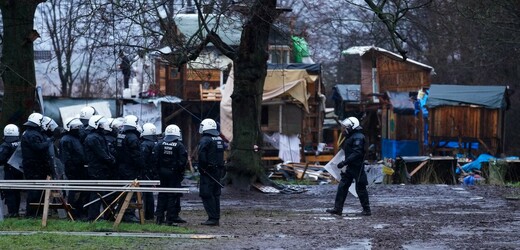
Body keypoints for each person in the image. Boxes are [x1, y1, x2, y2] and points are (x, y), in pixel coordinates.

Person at [326, 117, 371, 216]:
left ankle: (367, 210)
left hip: (357, 167)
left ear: (352, 127)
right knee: (342, 187)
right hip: (350, 167)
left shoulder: (358, 137)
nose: (343, 130)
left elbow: (357, 153)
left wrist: (344, 162)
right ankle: (338, 209)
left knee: (360, 189)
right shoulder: (352, 136)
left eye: (345, 127)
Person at [152, 124, 187, 226]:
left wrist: (156, 172)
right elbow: (182, 161)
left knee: (162, 194)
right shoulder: (179, 145)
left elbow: (154, 160)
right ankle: (169, 220)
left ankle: (159, 218)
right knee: (172, 196)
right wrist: (179, 172)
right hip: (174, 175)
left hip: (162, 174)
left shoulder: (159, 144)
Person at [83, 115, 115, 221]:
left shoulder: (97, 136)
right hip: (97, 169)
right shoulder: (93, 138)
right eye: (101, 124)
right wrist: (110, 160)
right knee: (97, 193)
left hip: (100, 168)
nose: (103, 126)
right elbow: (101, 153)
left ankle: (96, 215)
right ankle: (93, 216)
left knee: (99, 192)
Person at [21, 112, 52, 218]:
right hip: (34, 167)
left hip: (35, 166)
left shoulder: (29, 133)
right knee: (35, 191)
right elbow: (39, 147)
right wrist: (49, 141)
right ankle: (32, 214)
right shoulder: (33, 134)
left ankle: (36, 213)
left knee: (37, 190)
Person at [115, 115, 143, 222]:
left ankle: (121, 212)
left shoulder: (120, 135)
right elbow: (136, 155)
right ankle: (128, 214)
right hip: (130, 168)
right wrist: (141, 165)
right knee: (131, 193)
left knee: (123, 191)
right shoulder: (132, 138)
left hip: (120, 167)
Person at [60, 117, 89, 220]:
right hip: (74, 169)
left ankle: (77, 211)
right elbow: (68, 157)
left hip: (78, 168)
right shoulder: (67, 139)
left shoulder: (73, 138)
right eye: (78, 127)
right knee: (74, 191)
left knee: (79, 191)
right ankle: (73, 213)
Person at [197, 118, 225, 226]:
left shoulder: (205, 140)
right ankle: (215, 217)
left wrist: (202, 167)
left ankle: (212, 218)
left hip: (207, 172)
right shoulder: (218, 139)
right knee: (216, 194)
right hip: (218, 170)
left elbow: (202, 156)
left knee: (207, 194)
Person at [0, 124, 23, 217]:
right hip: (19, 170)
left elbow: (1, 158)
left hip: (9, 171)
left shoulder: (5, 145)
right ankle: (16, 211)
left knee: (9, 192)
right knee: (17, 192)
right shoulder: (20, 143)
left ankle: (12, 212)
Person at [140, 123, 158, 220]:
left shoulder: (145, 144)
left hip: (146, 172)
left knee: (146, 193)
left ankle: (148, 215)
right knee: (149, 193)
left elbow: (142, 160)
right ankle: (150, 214)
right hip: (152, 171)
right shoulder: (156, 143)